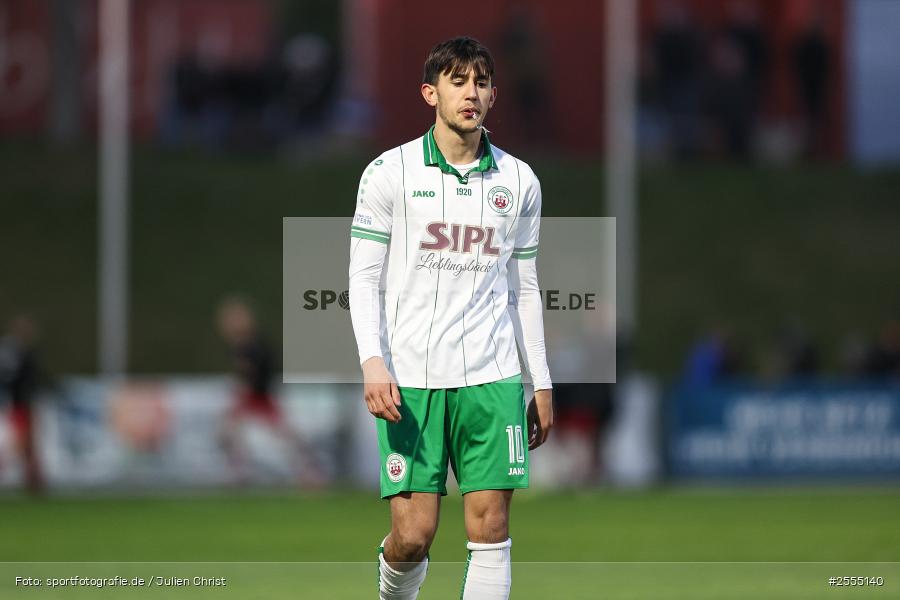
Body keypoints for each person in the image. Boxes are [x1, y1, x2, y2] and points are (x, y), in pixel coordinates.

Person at [348, 37, 554, 600]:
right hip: (411, 379)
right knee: (413, 536)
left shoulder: (519, 181)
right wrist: (372, 361)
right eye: (458, 80)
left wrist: (540, 380)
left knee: (490, 526)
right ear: (429, 92)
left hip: (492, 376)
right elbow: (363, 278)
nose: (472, 93)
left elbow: (525, 288)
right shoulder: (388, 172)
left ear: (494, 95)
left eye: (482, 82)